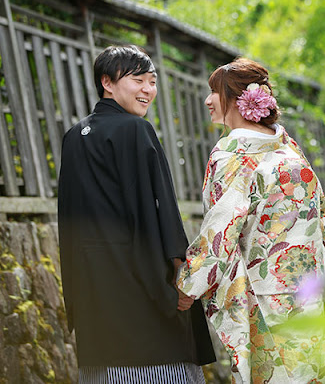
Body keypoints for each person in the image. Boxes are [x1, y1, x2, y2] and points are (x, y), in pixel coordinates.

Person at [176, 58, 325, 383]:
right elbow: (324, 222)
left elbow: (221, 228)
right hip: (310, 290)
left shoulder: (233, 156)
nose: (208, 101)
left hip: (264, 297)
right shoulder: (291, 153)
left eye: (214, 92)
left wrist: (189, 284)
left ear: (239, 100)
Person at [57, 45, 215, 383]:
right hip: (138, 279)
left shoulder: (73, 135)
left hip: (92, 286)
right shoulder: (134, 130)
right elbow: (156, 209)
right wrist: (177, 280)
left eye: (152, 82)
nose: (148, 90)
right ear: (107, 83)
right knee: (160, 364)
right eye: (138, 80)